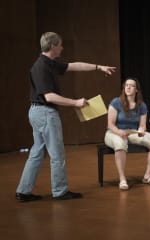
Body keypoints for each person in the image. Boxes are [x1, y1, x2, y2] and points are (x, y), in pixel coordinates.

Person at [15, 32, 116, 202]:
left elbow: (74, 66)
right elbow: (49, 97)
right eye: (60, 44)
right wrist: (75, 102)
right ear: (53, 46)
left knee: (37, 153)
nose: (62, 47)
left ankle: (23, 191)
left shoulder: (49, 63)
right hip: (45, 112)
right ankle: (60, 191)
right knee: (57, 154)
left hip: (38, 112)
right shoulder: (41, 67)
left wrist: (99, 67)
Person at [105, 77, 150, 190]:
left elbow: (142, 125)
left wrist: (141, 130)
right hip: (114, 132)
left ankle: (148, 175)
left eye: (131, 85)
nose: (128, 87)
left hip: (132, 132)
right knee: (120, 144)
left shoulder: (141, 105)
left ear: (136, 90)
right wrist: (119, 132)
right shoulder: (116, 102)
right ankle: (122, 179)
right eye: (126, 85)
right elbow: (110, 124)